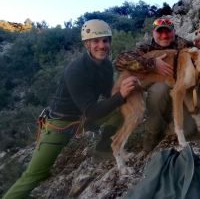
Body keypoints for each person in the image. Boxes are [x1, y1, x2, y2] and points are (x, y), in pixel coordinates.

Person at [3, 19, 139, 199]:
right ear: (87, 44)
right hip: (60, 126)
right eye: (96, 41)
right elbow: (92, 110)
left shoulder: (106, 65)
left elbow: (108, 96)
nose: (101, 45)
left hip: (83, 120)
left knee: (122, 110)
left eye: (105, 40)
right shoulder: (76, 70)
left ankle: (103, 148)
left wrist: (128, 93)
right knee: (34, 176)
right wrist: (121, 95)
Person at [114, 17, 194, 152]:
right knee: (160, 89)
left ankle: (171, 127)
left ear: (174, 32)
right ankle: (153, 132)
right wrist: (152, 64)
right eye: (160, 32)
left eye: (168, 32)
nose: (164, 35)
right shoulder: (146, 49)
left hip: (179, 91)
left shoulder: (182, 45)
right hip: (153, 93)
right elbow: (120, 60)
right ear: (153, 33)